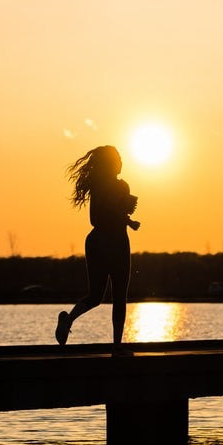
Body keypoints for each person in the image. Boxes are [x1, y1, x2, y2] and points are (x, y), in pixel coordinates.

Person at [55, 145, 140, 347]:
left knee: (111, 296)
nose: (121, 162)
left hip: (110, 242)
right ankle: (114, 346)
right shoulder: (102, 187)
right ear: (110, 163)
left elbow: (116, 214)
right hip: (105, 243)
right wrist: (125, 218)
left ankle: (113, 344)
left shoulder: (121, 186)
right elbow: (96, 219)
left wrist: (127, 219)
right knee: (102, 296)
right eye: (118, 159)